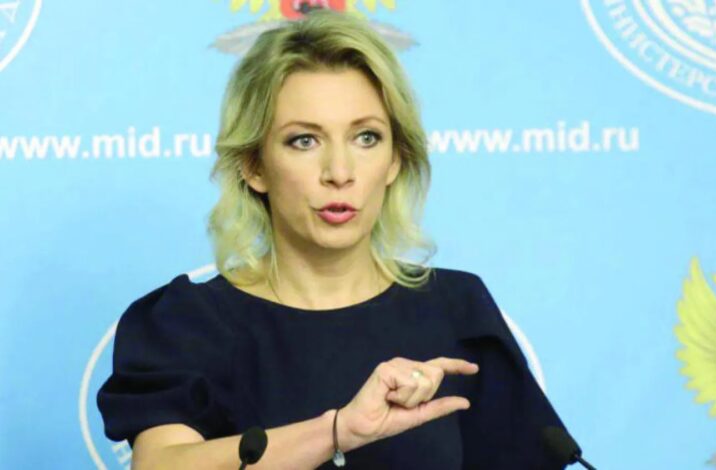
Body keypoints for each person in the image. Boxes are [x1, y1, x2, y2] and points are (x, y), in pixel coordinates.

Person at [97, 8, 569, 470]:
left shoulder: (457, 308)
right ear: (254, 166)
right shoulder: (187, 322)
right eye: (304, 140)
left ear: (395, 159)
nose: (340, 172)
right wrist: (339, 431)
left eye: (366, 138)